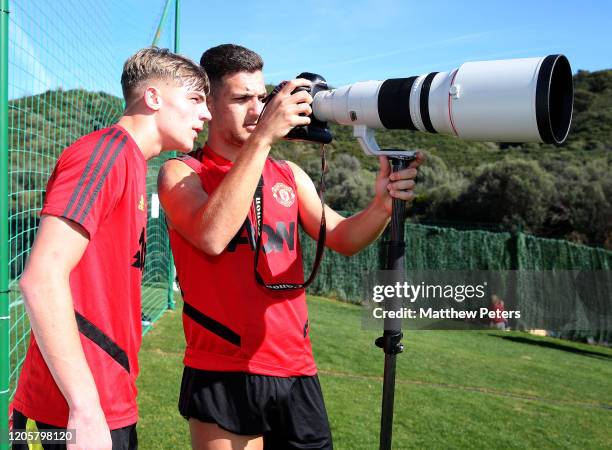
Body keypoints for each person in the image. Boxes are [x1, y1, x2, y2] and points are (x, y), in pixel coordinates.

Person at [157, 43, 424, 450]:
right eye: (241, 98)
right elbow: (211, 237)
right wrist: (262, 140)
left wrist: (382, 203)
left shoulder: (288, 174)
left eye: (261, 98)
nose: (256, 109)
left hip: (297, 368)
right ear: (208, 104)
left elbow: (344, 238)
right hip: (224, 368)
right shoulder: (183, 172)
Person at [11, 47, 211, 450]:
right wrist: (84, 408)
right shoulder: (105, 154)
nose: (205, 114)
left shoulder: (132, 163)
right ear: (153, 98)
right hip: (69, 412)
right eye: (195, 99)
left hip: (106, 402)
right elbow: (41, 278)